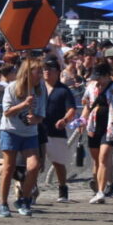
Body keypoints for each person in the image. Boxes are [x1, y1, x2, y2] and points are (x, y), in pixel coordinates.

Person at [0, 56, 47, 217]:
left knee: (34, 166)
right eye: (38, 72)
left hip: (30, 133)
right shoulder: (12, 88)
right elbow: (7, 112)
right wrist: (23, 105)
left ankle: (24, 199)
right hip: (10, 131)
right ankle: (3, 204)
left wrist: (36, 119)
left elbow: (41, 115)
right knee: (9, 167)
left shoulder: (41, 89)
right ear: (28, 73)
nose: (41, 75)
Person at [81, 62, 113, 204]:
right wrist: (82, 120)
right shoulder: (91, 87)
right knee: (96, 159)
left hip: (112, 127)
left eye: (100, 78)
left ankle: (101, 192)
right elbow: (87, 105)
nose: (97, 81)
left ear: (107, 76)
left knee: (103, 157)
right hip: (93, 126)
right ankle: (98, 188)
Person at [40, 60, 77, 202]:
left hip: (56, 131)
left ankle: (62, 188)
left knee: (58, 162)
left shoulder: (63, 90)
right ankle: (31, 190)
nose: (47, 71)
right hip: (38, 130)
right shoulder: (38, 88)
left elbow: (71, 109)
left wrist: (65, 120)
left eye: (51, 69)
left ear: (58, 72)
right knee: (35, 162)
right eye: (45, 68)